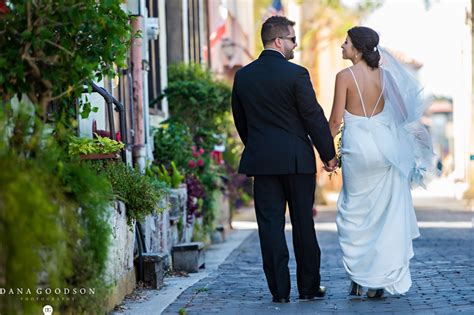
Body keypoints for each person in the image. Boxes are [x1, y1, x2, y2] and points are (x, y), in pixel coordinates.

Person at [231, 16, 337, 303]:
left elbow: (241, 121)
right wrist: (328, 155)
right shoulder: (296, 74)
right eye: (292, 39)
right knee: (303, 224)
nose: (295, 45)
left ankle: (279, 291)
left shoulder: (243, 76)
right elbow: (313, 117)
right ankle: (309, 287)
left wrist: (258, 146)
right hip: (296, 162)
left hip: (262, 163)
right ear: (279, 41)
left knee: (270, 227)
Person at [329, 26, 433, 298]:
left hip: (357, 152)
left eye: (346, 42)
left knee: (356, 213)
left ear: (358, 49)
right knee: (382, 217)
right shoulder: (386, 77)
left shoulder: (344, 77)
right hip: (384, 152)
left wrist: (326, 153)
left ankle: (360, 276)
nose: (342, 46)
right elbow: (401, 114)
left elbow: (335, 121)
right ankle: (377, 280)